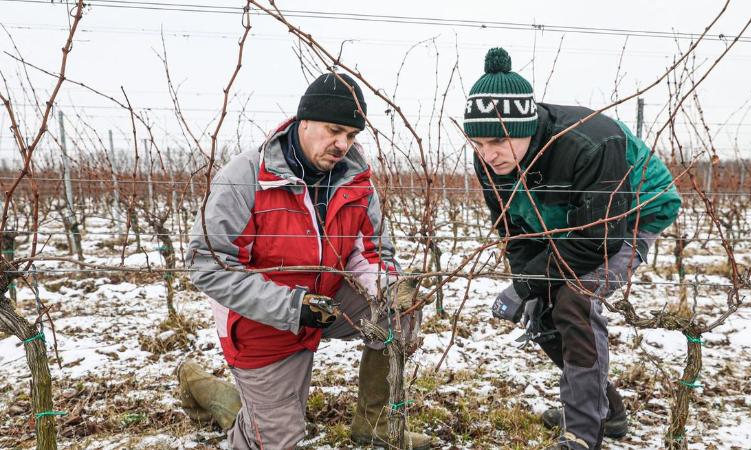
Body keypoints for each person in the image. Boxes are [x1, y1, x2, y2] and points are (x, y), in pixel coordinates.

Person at [181, 72, 432, 450]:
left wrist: (388, 287)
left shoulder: (356, 181)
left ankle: (376, 424)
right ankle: (211, 391)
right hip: (259, 317)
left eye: (351, 136)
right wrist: (293, 306)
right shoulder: (247, 177)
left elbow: (371, 252)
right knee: (278, 439)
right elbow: (209, 265)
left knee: (400, 310)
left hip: (328, 300)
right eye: (334, 130)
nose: (342, 144)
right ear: (304, 120)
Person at [464, 48, 682, 450]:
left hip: (631, 216)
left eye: (496, 140)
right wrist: (527, 284)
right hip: (563, 220)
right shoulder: (490, 160)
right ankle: (606, 413)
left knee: (574, 300)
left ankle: (583, 434)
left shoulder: (591, 143)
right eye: (476, 142)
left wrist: (527, 284)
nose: (486, 153)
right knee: (542, 308)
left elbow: (600, 240)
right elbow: (514, 232)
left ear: (527, 126)